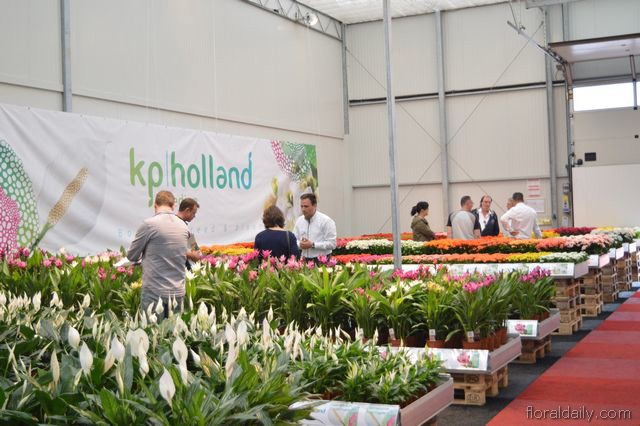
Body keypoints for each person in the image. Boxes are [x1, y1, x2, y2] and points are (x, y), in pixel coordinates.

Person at [127, 190, 189, 317]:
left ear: (155, 205)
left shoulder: (149, 224)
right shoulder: (184, 226)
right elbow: (190, 250)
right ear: (173, 206)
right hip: (178, 291)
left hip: (154, 292)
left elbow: (132, 256)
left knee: (153, 329)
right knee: (175, 329)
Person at [293, 193, 337, 262]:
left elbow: (332, 244)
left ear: (315, 206)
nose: (303, 209)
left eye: (306, 206)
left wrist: (313, 245)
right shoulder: (299, 221)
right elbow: (294, 240)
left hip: (322, 261)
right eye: (301, 206)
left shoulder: (326, 221)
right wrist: (300, 244)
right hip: (304, 260)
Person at [176, 198, 202, 268]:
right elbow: (172, 246)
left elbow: (193, 244)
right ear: (187, 210)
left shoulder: (183, 224)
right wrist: (191, 255)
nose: (194, 216)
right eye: (193, 213)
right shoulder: (175, 224)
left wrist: (196, 251)